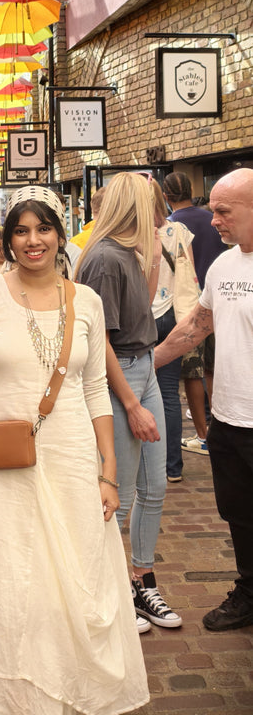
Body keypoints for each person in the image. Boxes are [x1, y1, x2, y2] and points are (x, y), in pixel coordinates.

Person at [0, 185, 149, 715]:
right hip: (0, 465)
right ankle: (16, 699)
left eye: (44, 229)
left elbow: (95, 388)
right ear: (7, 240)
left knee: (75, 578)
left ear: (59, 233)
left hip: (72, 456)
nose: (33, 241)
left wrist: (109, 469)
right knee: (10, 581)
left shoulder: (87, 301)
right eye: (21, 231)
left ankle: (69, 693)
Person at [76, 172, 182, 632]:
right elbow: (99, 343)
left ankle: (140, 580)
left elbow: (144, 309)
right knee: (116, 494)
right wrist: (131, 404)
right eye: (154, 207)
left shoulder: (124, 253)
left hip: (142, 367)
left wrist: (154, 257)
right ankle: (107, 588)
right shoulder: (105, 258)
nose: (161, 216)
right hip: (119, 374)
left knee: (153, 488)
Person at [155, 167, 253, 632]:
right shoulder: (225, 265)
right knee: (238, 513)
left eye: (223, 211)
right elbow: (197, 325)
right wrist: (145, 363)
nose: (213, 220)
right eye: (213, 210)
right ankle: (249, 592)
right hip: (227, 420)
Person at [163, 171, 227, 455]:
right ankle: (219, 427)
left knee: (192, 373)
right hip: (219, 301)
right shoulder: (211, 219)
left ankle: (202, 435)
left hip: (189, 308)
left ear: (166, 196)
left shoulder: (172, 226)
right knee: (213, 368)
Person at [151, 180, 195, 483]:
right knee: (169, 393)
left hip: (141, 317)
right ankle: (172, 466)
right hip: (172, 315)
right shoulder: (178, 230)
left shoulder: (133, 233)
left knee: (137, 390)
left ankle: (145, 461)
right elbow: (188, 272)